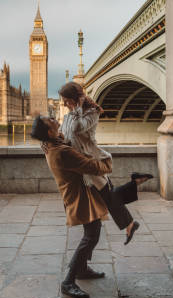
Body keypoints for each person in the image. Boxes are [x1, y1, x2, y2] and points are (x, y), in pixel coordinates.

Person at [59, 81, 152, 244]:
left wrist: (77, 109)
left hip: (90, 161)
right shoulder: (69, 115)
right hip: (80, 163)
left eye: (66, 100)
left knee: (107, 195)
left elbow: (76, 129)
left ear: (76, 99)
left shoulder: (92, 112)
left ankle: (129, 220)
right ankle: (133, 198)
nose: (64, 104)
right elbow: (63, 133)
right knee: (109, 195)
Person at [31, 114, 112, 298]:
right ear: (50, 131)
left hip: (74, 193)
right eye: (49, 120)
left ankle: (82, 269)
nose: (52, 117)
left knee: (91, 232)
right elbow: (91, 166)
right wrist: (107, 160)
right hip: (79, 196)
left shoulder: (50, 144)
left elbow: (63, 141)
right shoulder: (62, 152)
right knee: (91, 236)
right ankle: (68, 281)